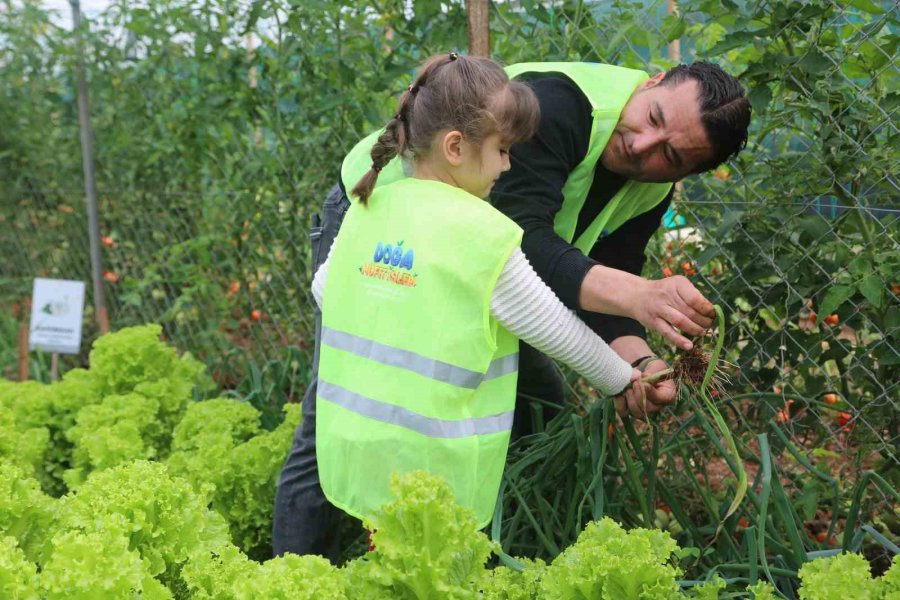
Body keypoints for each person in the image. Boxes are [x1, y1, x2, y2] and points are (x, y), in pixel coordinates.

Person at [274, 57, 751, 560]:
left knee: (537, 401)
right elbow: (534, 268)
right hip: (372, 218)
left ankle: (511, 552)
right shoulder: (558, 106)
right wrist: (619, 367)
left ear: (691, 173)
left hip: (429, 255)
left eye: (671, 156)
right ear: (652, 82)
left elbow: (605, 281)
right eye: (653, 119)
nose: (642, 146)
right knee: (337, 403)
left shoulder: (647, 191)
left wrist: (640, 364)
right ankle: (297, 571)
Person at [301, 51, 641, 545]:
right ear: (456, 147)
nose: (507, 165)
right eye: (504, 150)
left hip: (360, 443)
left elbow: (325, 288)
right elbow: (552, 327)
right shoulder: (485, 233)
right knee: (427, 570)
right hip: (437, 461)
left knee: (386, 557)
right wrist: (621, 378)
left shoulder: (372, 204)